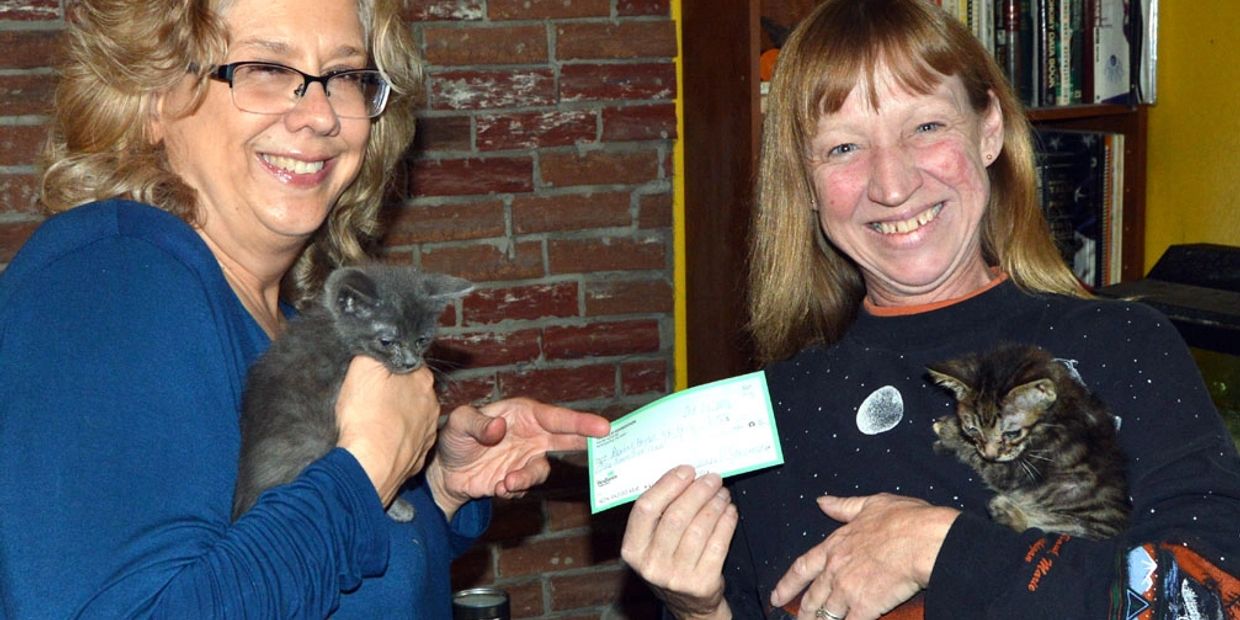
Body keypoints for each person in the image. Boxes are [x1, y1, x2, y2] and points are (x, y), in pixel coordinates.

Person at [620, 0, 1240, 618]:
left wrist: (937, 547)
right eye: (842, 148)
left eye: (925, 127)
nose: (892, 185)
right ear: (803, 183)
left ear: (989, 129)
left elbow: (1211, 599)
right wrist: (699, 611)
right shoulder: (769, 414)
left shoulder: (1124, 344)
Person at [0, 0, 609, 617]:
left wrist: (434, 488)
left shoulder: (284, 329)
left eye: (345, 76)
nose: (319, 115)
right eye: (265, 67)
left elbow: (290, 561)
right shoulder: (112, 281)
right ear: (153, 95)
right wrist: (367, 465)